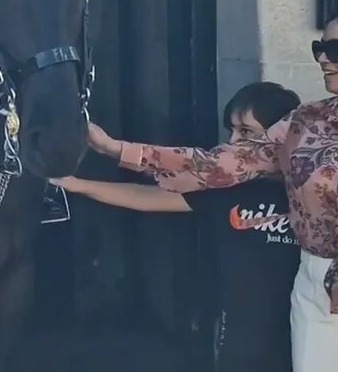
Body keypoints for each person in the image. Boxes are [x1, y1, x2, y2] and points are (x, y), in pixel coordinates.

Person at [87, 0, 338, 372]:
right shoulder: (304, 122)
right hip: (317, 283)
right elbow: (219, 165)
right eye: (319, 48)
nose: (323, 59)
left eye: (336, 50)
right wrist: (117, 149)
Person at [53, 82, 302, 372]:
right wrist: (74, 184)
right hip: (241, 340)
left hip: (309, 327)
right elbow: (144, 197)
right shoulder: (227, 188)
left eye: (246, 132)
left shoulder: (315, 187)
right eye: (231, 130)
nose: (234, 142)